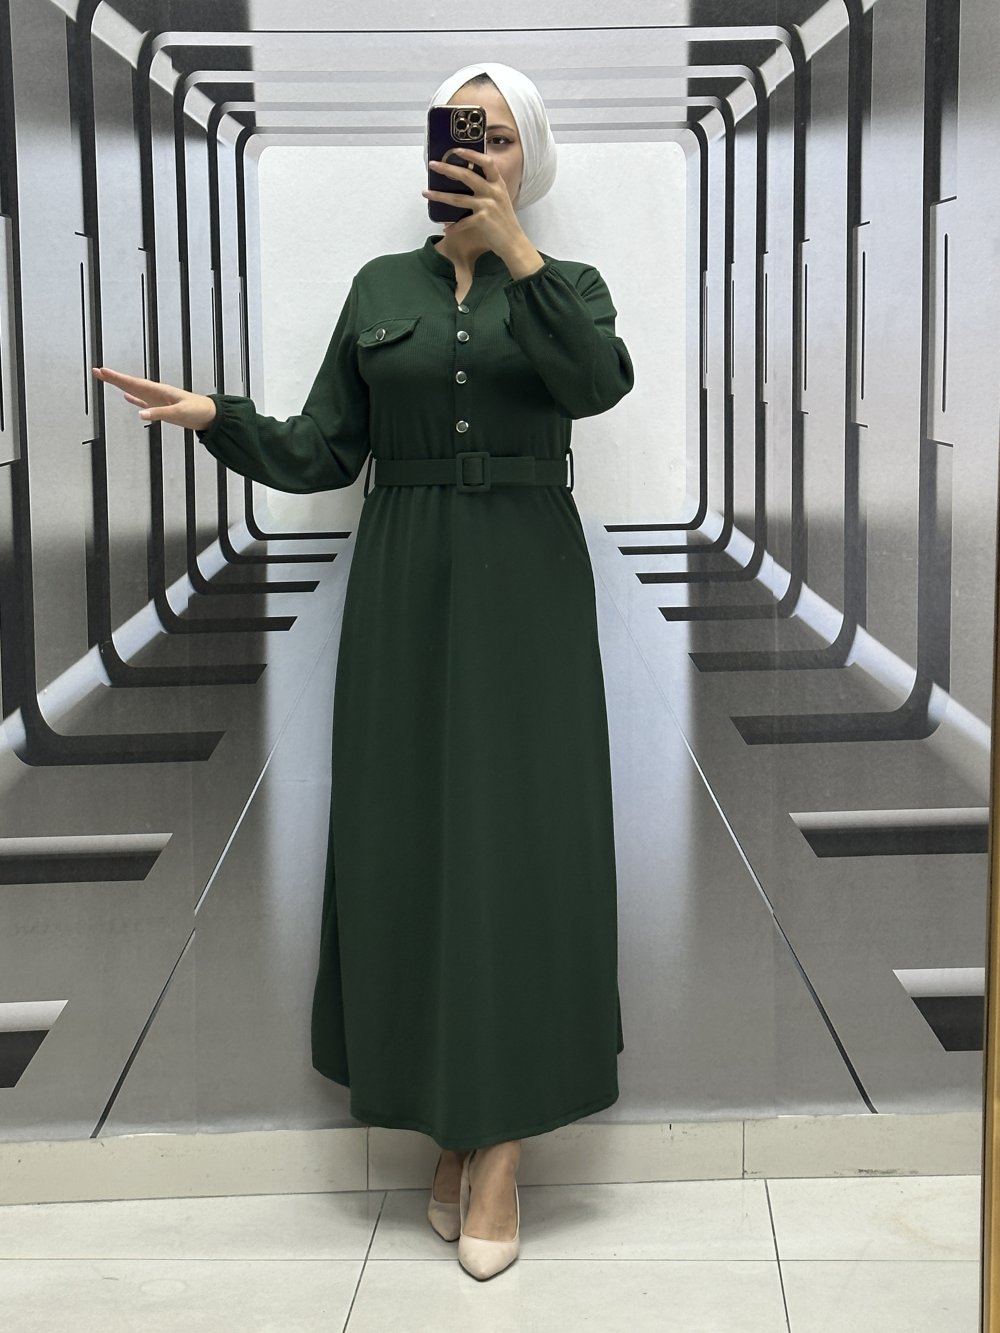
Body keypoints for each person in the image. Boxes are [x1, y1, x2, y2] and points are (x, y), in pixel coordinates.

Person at [91, 61, 634, 1282]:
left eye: (500, 135)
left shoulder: (571, 287)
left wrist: (519, 254)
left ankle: (498, 1146)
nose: (478, 151)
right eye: (460, 130)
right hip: (403, 578)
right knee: (413, 843)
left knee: (521, 848)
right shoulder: (380, 287)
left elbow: (596, 385)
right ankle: (450, 1119)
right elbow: (323, 448)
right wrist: (215, 415)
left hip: (525, 583)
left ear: (529, 155)